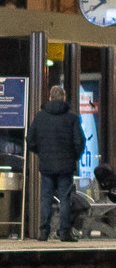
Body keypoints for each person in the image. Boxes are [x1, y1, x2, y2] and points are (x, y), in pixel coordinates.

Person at [27, 84, 85, 242]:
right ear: (63, 98)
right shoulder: (72, 118)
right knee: (65, 199)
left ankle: (44, 232)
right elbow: (80, 141)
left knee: (46, 198)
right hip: (66, 166)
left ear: (50, 98)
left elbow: (30, 140)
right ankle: (65, 232)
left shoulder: (40, 117)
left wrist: (42, 153)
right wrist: (74, 156)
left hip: (46, 165)